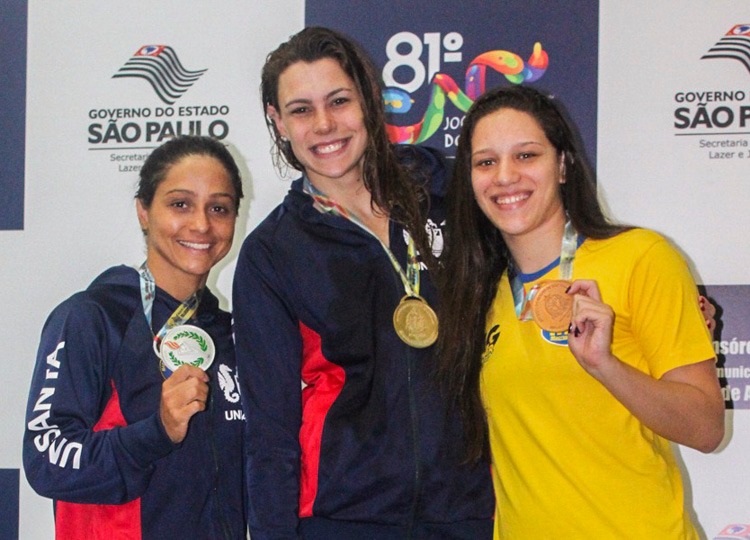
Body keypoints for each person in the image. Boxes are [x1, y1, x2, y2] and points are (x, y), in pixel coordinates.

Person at [232, 26, 494, 539]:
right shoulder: (272, 253)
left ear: (370, 100)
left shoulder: (449, 197)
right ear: (277, 122)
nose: (325, 124)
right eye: (302, 110)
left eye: (339, 100)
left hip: (465, 512)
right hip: (344, 520)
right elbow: (270, 432)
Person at [436, 85, 725, 538]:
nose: (505, 176)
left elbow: (706, 428)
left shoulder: (641, 258)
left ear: (564, 165)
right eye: (486, 162)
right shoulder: (477, 296)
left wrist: (605, 366)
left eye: (527, 155)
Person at [23, 135, 246, 539]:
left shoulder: (233, 334)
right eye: (180, 204)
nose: (201, 224)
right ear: (144, 212)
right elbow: (45, 462)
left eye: (219, 208)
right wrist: (156, 431)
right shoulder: (91, 319)